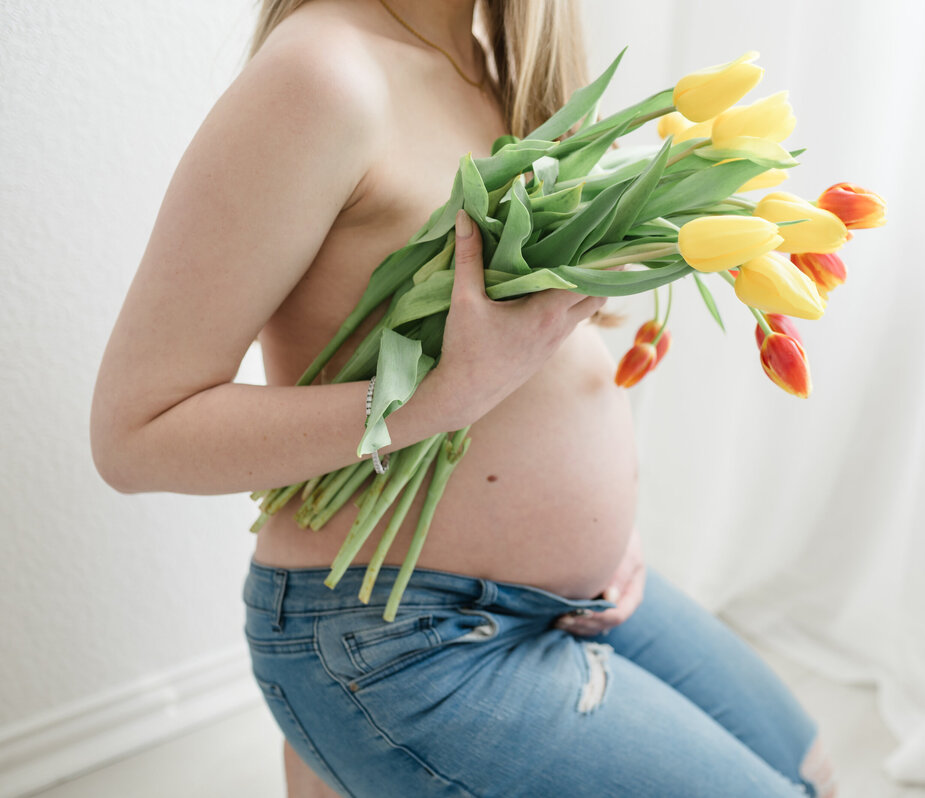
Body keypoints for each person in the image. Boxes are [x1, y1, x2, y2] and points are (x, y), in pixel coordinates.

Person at [89, 0, 838, 795]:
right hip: (402, 632)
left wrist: (598, 533)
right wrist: (439, 399)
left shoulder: (492, 63)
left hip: (575, 597)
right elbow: (136, 435)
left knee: (811, 771)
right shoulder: (322, 77)